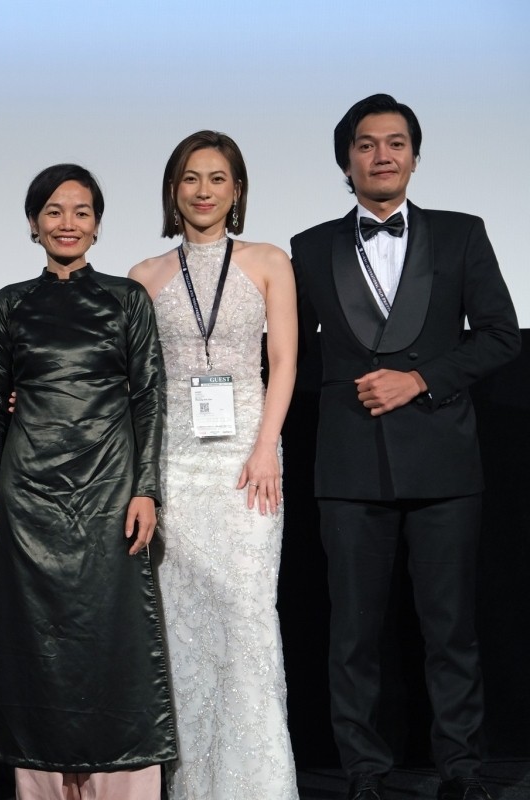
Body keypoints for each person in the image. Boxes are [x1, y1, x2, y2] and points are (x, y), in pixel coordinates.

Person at [290, 94, 520, 800]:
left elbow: (500, 336)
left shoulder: (462, 234)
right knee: (352, 635)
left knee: (450, 630)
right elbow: (288, 358)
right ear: (346, 160)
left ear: (415, 156)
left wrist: (420, 378)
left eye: (395, 143)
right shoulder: (308, 246)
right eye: (366, 144)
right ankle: (363, 771)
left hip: (444, 462)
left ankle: (463, 768)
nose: (381, 154)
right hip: (348, 465)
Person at [0, 163, 173, 798]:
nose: (68, 223)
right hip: (28, 495)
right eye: (54, 212)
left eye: (81, 211)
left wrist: (147, 489)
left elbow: (148, 398)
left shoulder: (126, 299)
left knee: (115, 635)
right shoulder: (10, 303)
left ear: (97, 224)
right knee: (35, 643)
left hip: (112, 489)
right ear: (33, 224)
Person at [128, 131, 299, 798]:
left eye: (217, 178)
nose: (203, 190)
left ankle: (255, 783)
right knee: (183, 634)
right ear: (173, 190)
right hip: (174, 468)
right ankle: (191, 784)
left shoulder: (267, 261)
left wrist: (265, 448)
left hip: (248, 465)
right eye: (190, 178)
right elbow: (130, 381)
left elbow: (283, 361)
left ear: (236, 190)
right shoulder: (145, 276)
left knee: (249, 620)